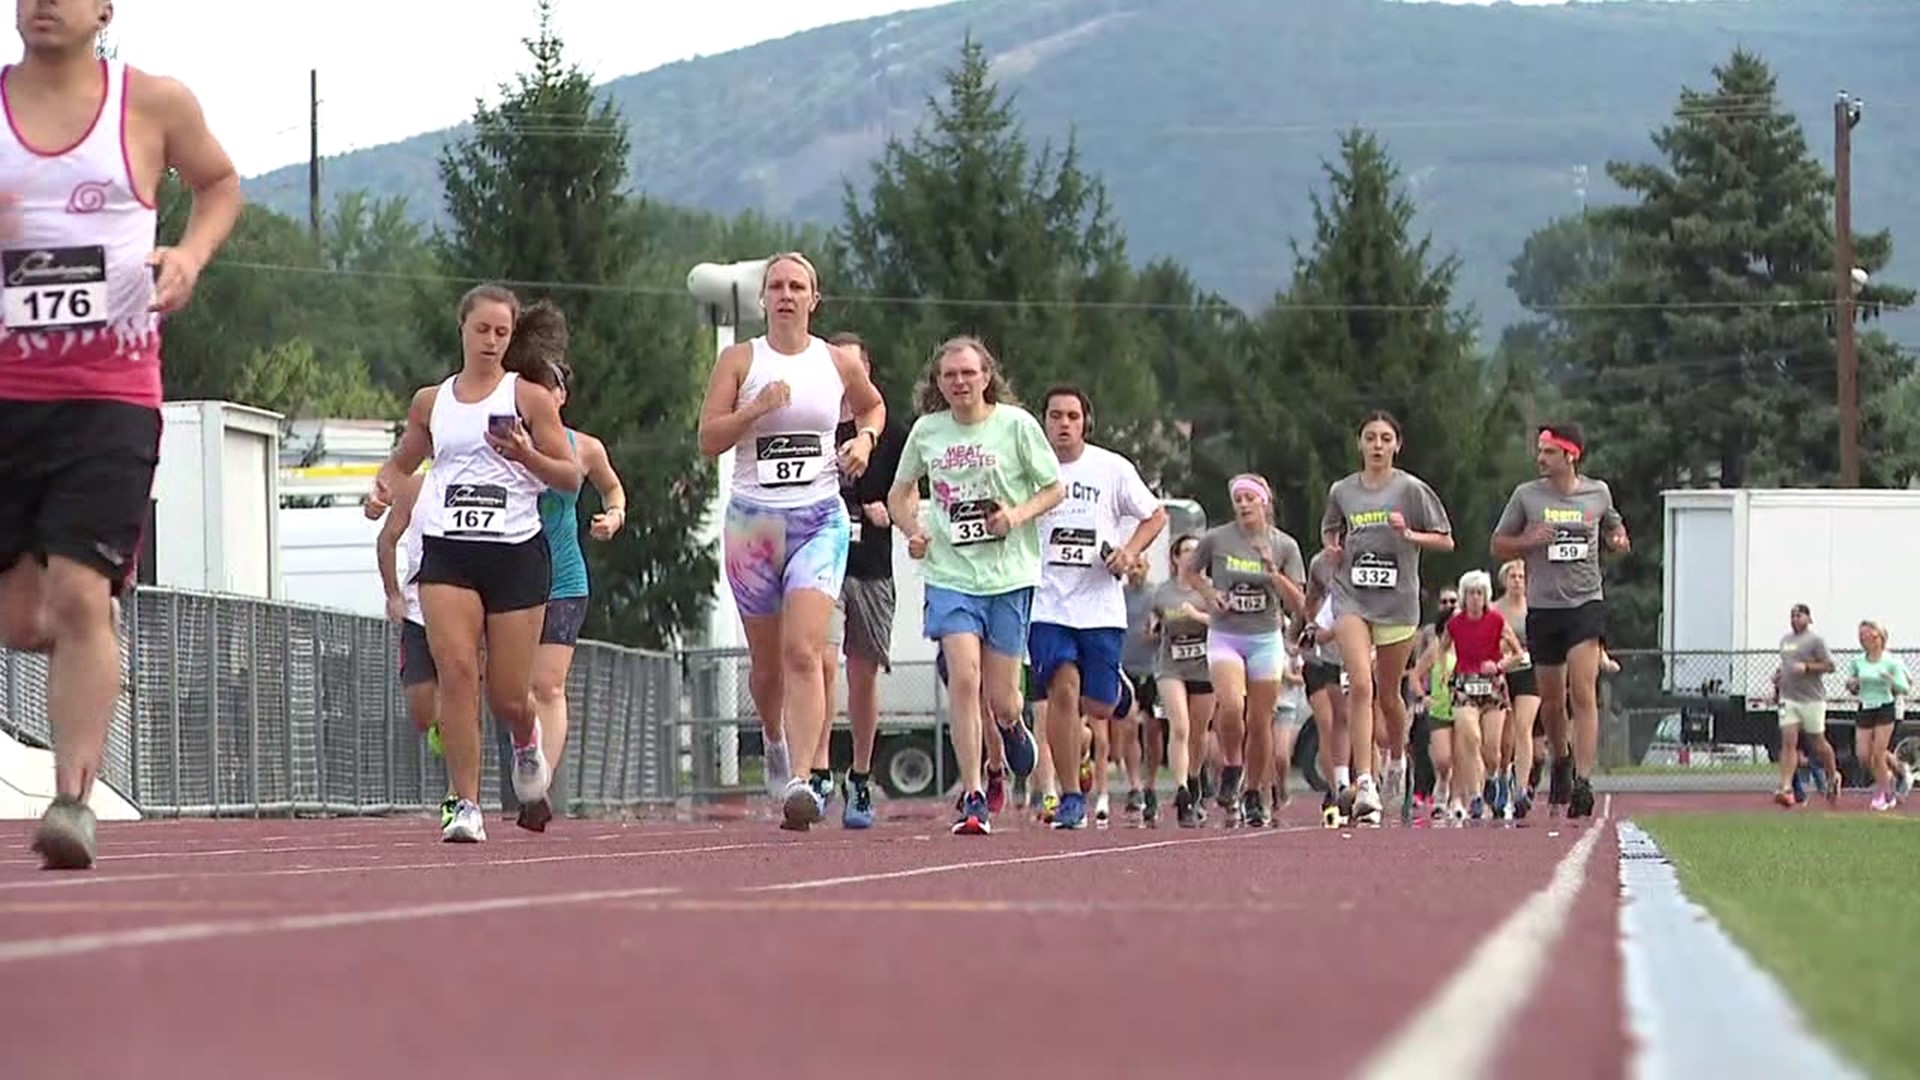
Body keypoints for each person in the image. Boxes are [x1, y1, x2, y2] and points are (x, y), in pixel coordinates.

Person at [1, 1, 242, 869]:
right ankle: (94, 636)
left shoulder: (152, 105)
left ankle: (73, 802)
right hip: (7, 398)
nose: (43, 3)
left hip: (110, 394)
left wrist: (188, 257)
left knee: (75, 596)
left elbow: (219, 183)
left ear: (104, 8)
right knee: (28, 618)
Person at [365, 284, 580, 842]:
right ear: (462, 329)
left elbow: (569, 475)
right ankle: (466, 805)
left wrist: (526, 453)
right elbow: (402, 461)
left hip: (515, 555)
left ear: (511, 338)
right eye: (481, 329)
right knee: (457, 674)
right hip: (449, 551)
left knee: (507, 694)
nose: (490, 341)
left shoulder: (527, 397)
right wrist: (381, 490)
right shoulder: (431, 402)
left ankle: (526, 740)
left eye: (501, 332)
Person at [696, 252, 885, 831]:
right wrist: (755, 408)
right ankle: (775, 740)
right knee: (767, 668)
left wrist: (865, 440)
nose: (785, 294)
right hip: (754, 525)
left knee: (805, 652)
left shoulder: (833, 361)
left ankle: (802, 780)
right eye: (776, 285)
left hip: (818, 519)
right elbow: (708, 439)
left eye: (796, 285)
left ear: (813, 298)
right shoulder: (740, 359)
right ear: (763, 299)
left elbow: (873, 405)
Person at [889, 336, 1055, 835]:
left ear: (987, 377)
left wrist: (1015, 515)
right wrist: (913, 531)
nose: (959, 382)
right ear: (938, 384)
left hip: (1007, 576)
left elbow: (1053, 487)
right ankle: (974, 794)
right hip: (950, 573)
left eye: (968, 373)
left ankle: (1010, 725)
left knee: (1001, 696)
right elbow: (900, 495)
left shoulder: (1017, 426)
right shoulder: (928, 431)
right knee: (963, 677)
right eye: (949, 375)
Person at [509, 306, 627, 833]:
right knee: (511, 690)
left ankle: (539, 782)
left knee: (548, 687)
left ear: (562, 397)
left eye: (551, 386)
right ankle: (523, 755)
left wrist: (614, 515)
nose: (542, 394)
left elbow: (612, 487)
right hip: (507, 574)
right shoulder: (501, 439)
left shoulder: (585, 448)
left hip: (563, 578)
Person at [1026, 386, 1165, 831]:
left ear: (1086, 421)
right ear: (1043, 421)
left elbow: (1155, 515)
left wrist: (1128, 552)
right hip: (1047, 601)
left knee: (1098, 707)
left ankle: (1102, 714)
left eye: (1072, 416)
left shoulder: (1111, 468)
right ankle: (1069, 796)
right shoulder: (1029, 467)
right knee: (1060, 692)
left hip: (1100, 605)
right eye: (1055, 416)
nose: (1063, 424)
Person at [1319, 412, 1453, 826]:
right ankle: (1365, 781)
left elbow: (1446, 539)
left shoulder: (1410, 490)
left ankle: (1396, 758)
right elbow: (1329, 531)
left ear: (1397, 445)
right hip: (1351, 598)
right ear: (1360, 444)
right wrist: (1333, 549)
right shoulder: (1342, 490)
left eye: (1385, 438)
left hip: (1397, 603)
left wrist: (1409, 535)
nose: (1377, 445)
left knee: (1388, 695)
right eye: (1370, 438)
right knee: (1359, 683)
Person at [1490, 422, 1628, 820]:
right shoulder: (1526, 496)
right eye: (1539, 451)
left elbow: (1615, 525)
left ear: (1570, 455)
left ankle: (1584, 780)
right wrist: (1529, 541)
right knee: (1552, 702)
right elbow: (1498, 544)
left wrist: (1618, 539)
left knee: (1582, 691)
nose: (1540, 458)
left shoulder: (1597, 493)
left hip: (1586, 603)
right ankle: (1561, 758)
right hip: (1544, 607)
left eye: (1548, 452)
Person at [808, 330, 907, 829]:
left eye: (854, 367)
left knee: (861, 675)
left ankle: (861, 777)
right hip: (820, 565)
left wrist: (889, 509)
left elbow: (911, 489)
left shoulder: (889, 430)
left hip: (871, 566)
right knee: (820, 663)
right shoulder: (812, 420)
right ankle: (819, 769)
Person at [1181, 473, 1306, 827]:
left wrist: (1272, 571)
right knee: (1232, 705)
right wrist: (1210, 595)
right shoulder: (1218, 539)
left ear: (1264, 502)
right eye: (1238, 498)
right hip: (1226, 635)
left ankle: (1253, 792)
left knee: (1260, 720)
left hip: (1265, 637)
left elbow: (1298, 603)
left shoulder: (1284, 546)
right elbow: (1190, 572)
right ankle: (1232, 766)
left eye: (1251, 498)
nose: (1244, 504)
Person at [1845, 620, 1912, 812]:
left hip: (1885, 707)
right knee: (1863, 755)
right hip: (1866, 707)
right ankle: (1887, 780)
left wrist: (1891, 680)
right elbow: (1853, 686)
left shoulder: (1891, 662)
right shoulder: (1857, 662)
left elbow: (1904, 688)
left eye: (1865, 635)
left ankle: (1881, 794)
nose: (1862, 639)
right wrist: (1852, 685)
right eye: (1860, 636)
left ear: (1877, 637)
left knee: (1878, 752)